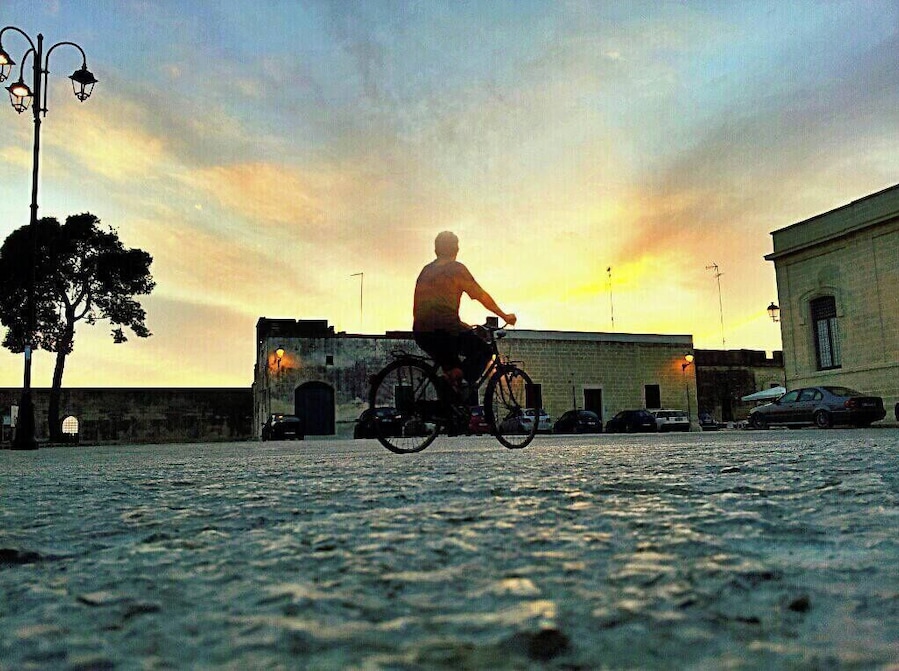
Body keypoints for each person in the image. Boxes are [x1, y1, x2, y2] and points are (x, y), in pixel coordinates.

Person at [413, 231, 516, 396]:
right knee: (484, 351)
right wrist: (504, 316)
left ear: (436, 250)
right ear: (456, 249)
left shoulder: (426, 270)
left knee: (453, 369)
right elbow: (480, 295)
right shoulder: (456, 269)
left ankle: (448, 405)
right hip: (445, 331)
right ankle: (460, 387)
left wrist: (462, 326)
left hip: (421, 333)